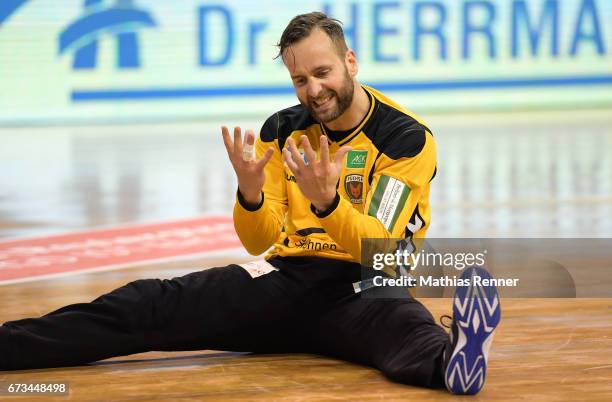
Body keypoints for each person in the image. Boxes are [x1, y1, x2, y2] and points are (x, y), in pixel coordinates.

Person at [0, 12, 501, 395]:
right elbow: (260, 240)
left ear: (351, 62)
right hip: (287, 281)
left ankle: (455, 360)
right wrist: (250, 193)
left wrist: (327, 202)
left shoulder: (405, 138)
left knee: (408, 337)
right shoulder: (281, 129)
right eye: (300, 80)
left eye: (322, 72)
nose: (314, 90)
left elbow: (381, 245)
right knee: (147, 302)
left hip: (364, 288)